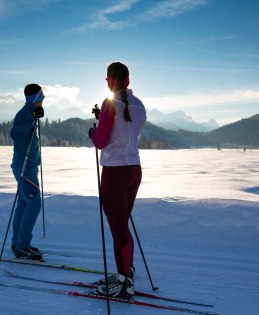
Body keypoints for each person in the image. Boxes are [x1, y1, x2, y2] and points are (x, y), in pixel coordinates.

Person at [89, 62, 146, 300]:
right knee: (123, 225)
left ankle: (124, 283)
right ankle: (126, 272)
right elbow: (126, 128)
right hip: (134, 170)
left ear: (110, 81)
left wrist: (94, 130)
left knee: (118, 229)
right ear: (128, 81)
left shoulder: (110, 103)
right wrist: (105, 118)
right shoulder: (139, 104)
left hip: (115, 171)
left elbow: (101, 141)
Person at [10, 83, 45, 260]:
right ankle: (22, 246)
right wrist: (32, 117)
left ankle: (18, 243)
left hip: (28, 166)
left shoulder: (30, 112)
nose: (43, 100)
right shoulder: (25, 113)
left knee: (24, 205)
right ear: (34, 98)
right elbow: (15, 134)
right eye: (40, 97)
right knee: (34, 204)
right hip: (24, 168)